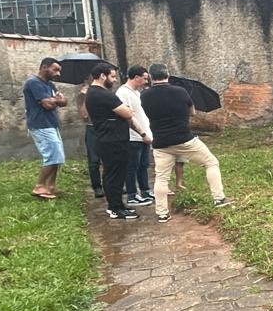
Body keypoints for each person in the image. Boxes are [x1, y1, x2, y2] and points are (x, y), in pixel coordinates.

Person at [140, 63, 231, 223]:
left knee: (161, 178)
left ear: (151, 77)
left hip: (160, 142)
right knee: (211, 162)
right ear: (167, 73)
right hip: (184, 139)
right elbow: (193, 113)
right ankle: (219, 199)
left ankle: (162, 214)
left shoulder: (144, 95)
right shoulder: (180, 92)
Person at [84, 63, 152, 220]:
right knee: (114, 176)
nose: (114, 80)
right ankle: (115, 208)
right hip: (111, 141)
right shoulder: (102, 94)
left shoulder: (96, 93)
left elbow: (126, 113)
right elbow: (127, 113)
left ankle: (118, 205)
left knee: (115, 174)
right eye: (112, 76)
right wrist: (127, 111)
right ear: (102, 76)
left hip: (113, 140)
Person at [23, 57, 67, 199]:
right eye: (55, 70)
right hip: (40, 124)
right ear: (44, 67)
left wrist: (55, 101)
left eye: (59, 71)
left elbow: (64, 101)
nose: (58, 74)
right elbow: (47, 104)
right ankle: (40, 186)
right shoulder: (33, 83)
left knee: (58, 156)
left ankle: (50, 186)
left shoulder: (50, 85)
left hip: (51, 124)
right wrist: (56, 100)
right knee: (52, 155)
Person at [115, 65, 154, 207]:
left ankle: (145, 190)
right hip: (133, 136)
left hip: (143, 136)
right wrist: (141, 133)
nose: (146, 82)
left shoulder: (136, 93)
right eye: (144, 78)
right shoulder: (123, 93)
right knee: (132, 166)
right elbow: (127, 116)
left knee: (143, 165)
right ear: (136, 77)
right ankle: (132, 195)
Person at [78, 83, 104, 198]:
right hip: (92, 128)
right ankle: (97, 186)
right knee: (94, 161)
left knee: (110, 159)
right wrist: (85, 97)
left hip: (105, 127)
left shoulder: (105, 92)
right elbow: (84, 114)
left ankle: (112, 184)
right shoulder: (87, 94)